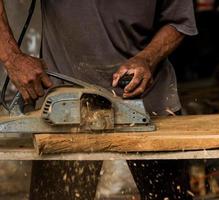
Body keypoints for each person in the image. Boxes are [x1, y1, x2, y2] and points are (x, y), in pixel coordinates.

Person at [0, 1, 198, 199]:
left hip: (145, 103)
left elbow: (178, 22)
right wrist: (12, 57)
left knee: (169, 195)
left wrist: (148, 59)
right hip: (66, 109)